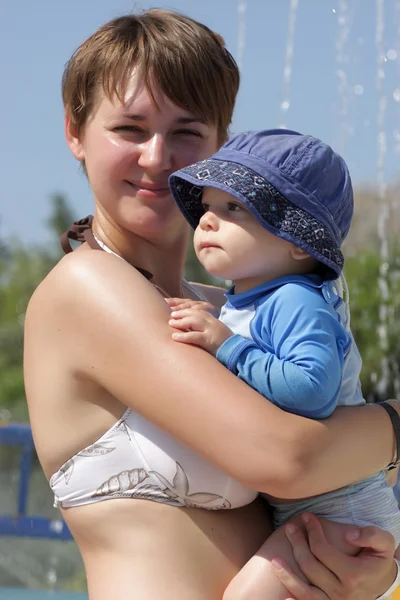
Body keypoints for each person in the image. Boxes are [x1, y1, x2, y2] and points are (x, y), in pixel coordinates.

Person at [23, 9, 400, 600]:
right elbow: (288, 459)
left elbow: (325, 479)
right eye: (129, 129)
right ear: (75, 131)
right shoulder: (88, 287)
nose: (156, 157)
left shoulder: (223, 312)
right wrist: (394, 424)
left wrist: (367, 566)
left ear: (221, 144)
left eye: (186, 132)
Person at [168, 128, 400, 598]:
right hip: (317, 510)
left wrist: (226, 346)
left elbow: (311, 390)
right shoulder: (249, 300)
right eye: (208, 206)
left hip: (342, 514)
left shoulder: (296, 300)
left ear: (299, 243)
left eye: (235, 208)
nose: (208, 221)